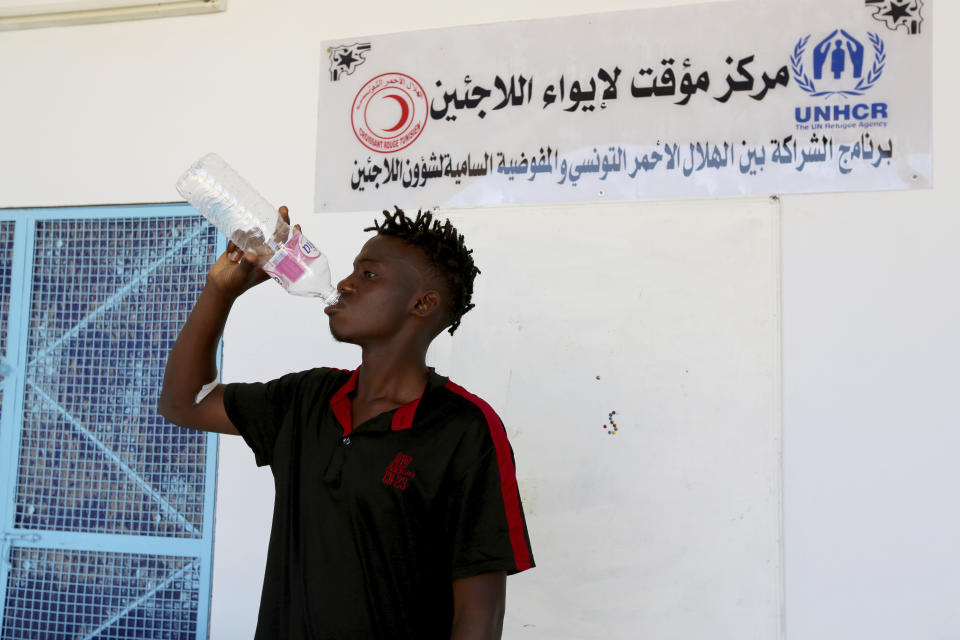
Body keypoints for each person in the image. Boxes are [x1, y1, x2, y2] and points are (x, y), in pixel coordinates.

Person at [158, 205, 534, 639]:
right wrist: (220, 292)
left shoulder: (465, 429)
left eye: (369, 275)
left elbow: (478, 617)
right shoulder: (307, 399)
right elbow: (183, 404)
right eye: (353, 269)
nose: (344, 284)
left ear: (423, 303)